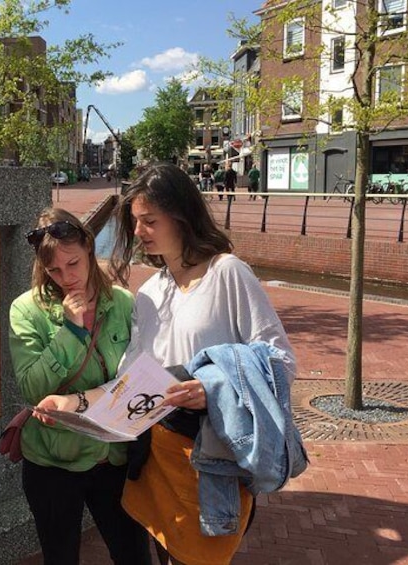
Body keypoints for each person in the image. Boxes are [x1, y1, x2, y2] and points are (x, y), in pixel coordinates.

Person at [110, 163, 295, 565]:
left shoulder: (227, 273)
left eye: (149, 221)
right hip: (157, 447)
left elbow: (279, 359)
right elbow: (133, 366)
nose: (139, 232)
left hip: (213, 452)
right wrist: (97, 407)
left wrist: (212, 387)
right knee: (166, 554)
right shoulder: (150, 290)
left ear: (181, 215)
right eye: (135, 222)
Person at [9, 208, 151, 565]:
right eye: (53, 270)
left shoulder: (121, 302)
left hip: (112, 455)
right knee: (61, 556)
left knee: (133, 553)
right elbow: (31, 388)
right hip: (54, 460)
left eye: (72, 263)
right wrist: (70, 332)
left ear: (89, 248)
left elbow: (139, 375)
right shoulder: (27, 310)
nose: (65, 277)